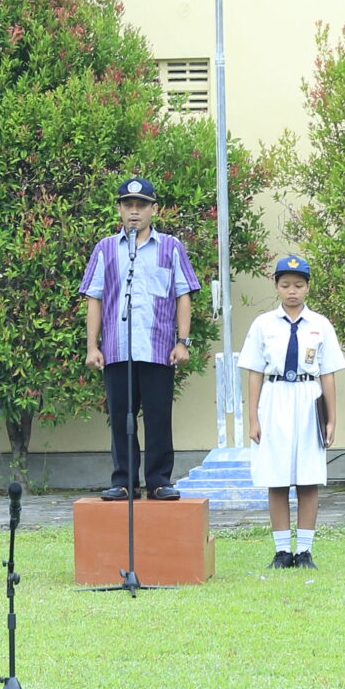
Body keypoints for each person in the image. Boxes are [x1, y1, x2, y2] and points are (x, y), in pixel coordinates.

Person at [79, 175, 201, 500]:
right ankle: (124, 481)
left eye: (141, 205)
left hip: (159, 348)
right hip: (118, 348)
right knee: (122, 417)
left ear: (154, 209)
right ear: (119, 209)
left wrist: (183, 341)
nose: (135, 211)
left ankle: (159, 480)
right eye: (128, 205)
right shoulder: (105, 248)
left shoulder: (170, 247)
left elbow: (183, 294)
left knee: (159, 416)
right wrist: (92, 346)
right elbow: (94, 297)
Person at [239, 255, 345, 569]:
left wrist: (331, 419)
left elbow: (328, 374)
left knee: (308, 478)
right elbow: (255, 372)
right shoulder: (263, 324)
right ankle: (282, 550)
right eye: (285, 285)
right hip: (274, 397)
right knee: (277, 477)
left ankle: (305, 551)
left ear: (308, 287)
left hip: (308, 396)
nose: (292, 291)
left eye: (298, 285)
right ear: (276, 286)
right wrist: (254, 417)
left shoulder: (320, 325)